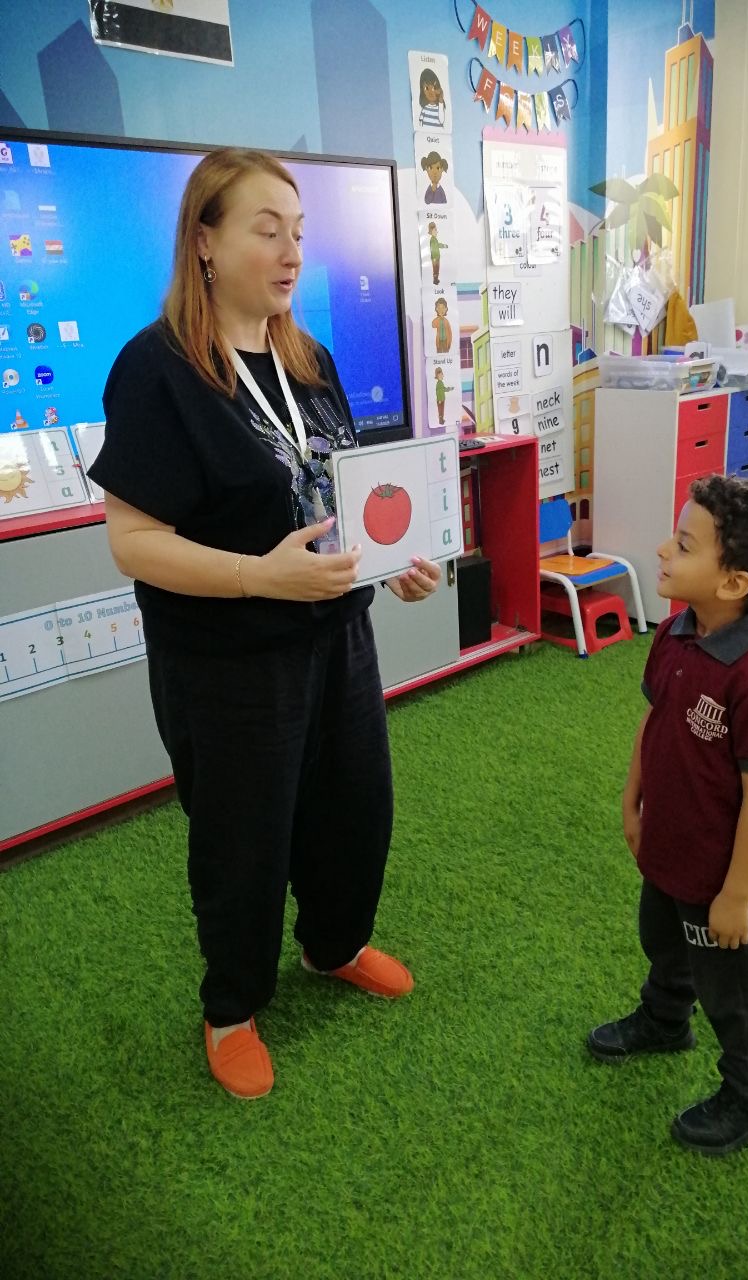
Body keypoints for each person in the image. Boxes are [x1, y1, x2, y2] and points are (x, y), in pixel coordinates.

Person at [89, 148, 441, 1101]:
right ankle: (233, 1008)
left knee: (354, 808)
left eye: (299, 233)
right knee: (244, 842)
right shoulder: (156, 369)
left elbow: (342, 493)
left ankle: (335, 945)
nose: (292, 253)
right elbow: (133, 542)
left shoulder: (307, 359)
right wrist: (258, 578)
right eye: (266, 229)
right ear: (204, 241)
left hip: (338, 638)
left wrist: (393, 565)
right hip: (228, 662)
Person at [587, 474, 748, 1156]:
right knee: (662, 938)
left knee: (736, 988)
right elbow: (655, 721)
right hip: (668, 843)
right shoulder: (676, 631)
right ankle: (665, 1018)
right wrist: (632, 801)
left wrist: (737, 895)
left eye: (684, 545)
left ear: (735, 583)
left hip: (722, 873)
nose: (663, 549)